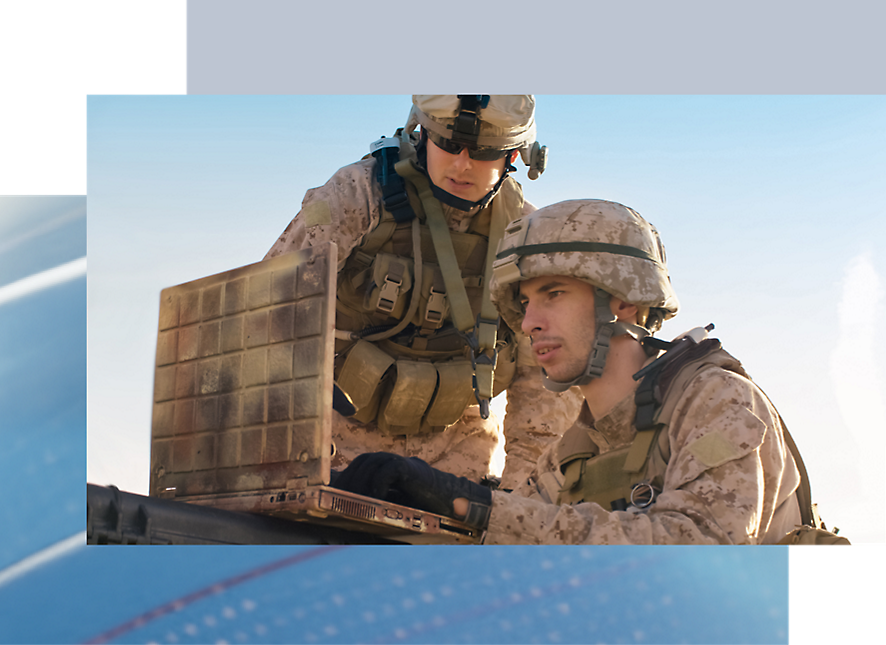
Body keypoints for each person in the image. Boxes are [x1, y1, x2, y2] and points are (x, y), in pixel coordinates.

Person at [333, 199, 815, 545]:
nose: (528, 323)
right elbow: (512, 537)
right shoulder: (570, 454)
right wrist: (404, 508)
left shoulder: (716, 402)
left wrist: (469, 503)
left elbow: (697, 548)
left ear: (623, 300)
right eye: (524, 303)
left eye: (554, 294)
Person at [265, 95, 582, 488]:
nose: (462, 164)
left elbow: (545, 377)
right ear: (421, 135)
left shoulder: (524, 234)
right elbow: (270, 307)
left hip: (456, 462)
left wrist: (516, 492)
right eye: (448, 144)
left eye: (483, 153)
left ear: (515, 157)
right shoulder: (358, 195)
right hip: (332, 444)